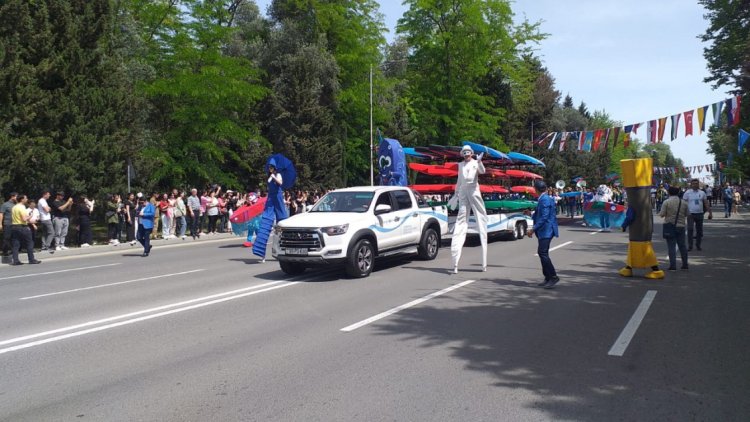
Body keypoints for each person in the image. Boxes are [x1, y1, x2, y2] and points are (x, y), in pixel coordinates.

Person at [449, 145, 488, 274]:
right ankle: (455, 262)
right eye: (464, 153)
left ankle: (484, 263)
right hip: (464, 192)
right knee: (460, 222)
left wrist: (480, 161)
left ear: (471, 153)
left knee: (481, 221)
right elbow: (459, 180)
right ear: (462, 154)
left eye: (468, 153)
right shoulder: (460, 165)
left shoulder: (476, 163)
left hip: (474, 191)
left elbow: (482, 171)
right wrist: (455, 194)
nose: (467, 155)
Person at [527, 180, 559, 288]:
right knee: (542, 253)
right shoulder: (543, 199)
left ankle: (553, 277)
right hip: (544, 230)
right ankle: (547, 277)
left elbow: (544, 217)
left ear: (536, 189)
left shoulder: (544, 199)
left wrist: (533, 229)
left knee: (542, 253)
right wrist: (530, 214)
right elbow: (539, 214)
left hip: (546, 230)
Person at [659, 186, 688, 271]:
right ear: (678, 192)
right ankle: (685, 264)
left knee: (671, 246)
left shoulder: (666, 202)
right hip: (681, 226)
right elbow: (687, 214)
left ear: (669, 192)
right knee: (682, 246)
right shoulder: (684, 202)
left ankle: (673, 266)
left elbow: (662, 214)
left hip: (670, 226)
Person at [10, 195, 41, 265]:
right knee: (29, 242)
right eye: (25, 198)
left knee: (16, 244)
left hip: (14, 226)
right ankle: (31, 259)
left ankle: (15, 260)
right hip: (22, 226)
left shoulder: (14, 207)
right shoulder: (22, 207)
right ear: (22, 199)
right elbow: (24, 219)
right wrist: (30, 216)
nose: (27, 199)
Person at [682, 179, 712, 251]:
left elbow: (706, 203)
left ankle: (698, 245)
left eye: (696, 183)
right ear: (691, 185)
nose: (695, 185)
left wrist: (710, 213)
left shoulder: (702, 193)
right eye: (693, 184)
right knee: (690, 229)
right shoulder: (687, 193)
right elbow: (684, 203)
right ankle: (690, 246)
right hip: (690, 214)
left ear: (698, 184)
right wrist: (683, 213)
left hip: (700, 214)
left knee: (699, 230)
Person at [1, 192, 18, 257]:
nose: (17, 198)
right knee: (7, 238)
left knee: (14, 238)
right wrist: (0, 224)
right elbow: (1, 214)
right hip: (7, 224)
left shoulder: (16, 205)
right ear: (12, 197)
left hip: (15, 224)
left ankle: (13, 251)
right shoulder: (5, 205)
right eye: (16, 196)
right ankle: (5, 251)